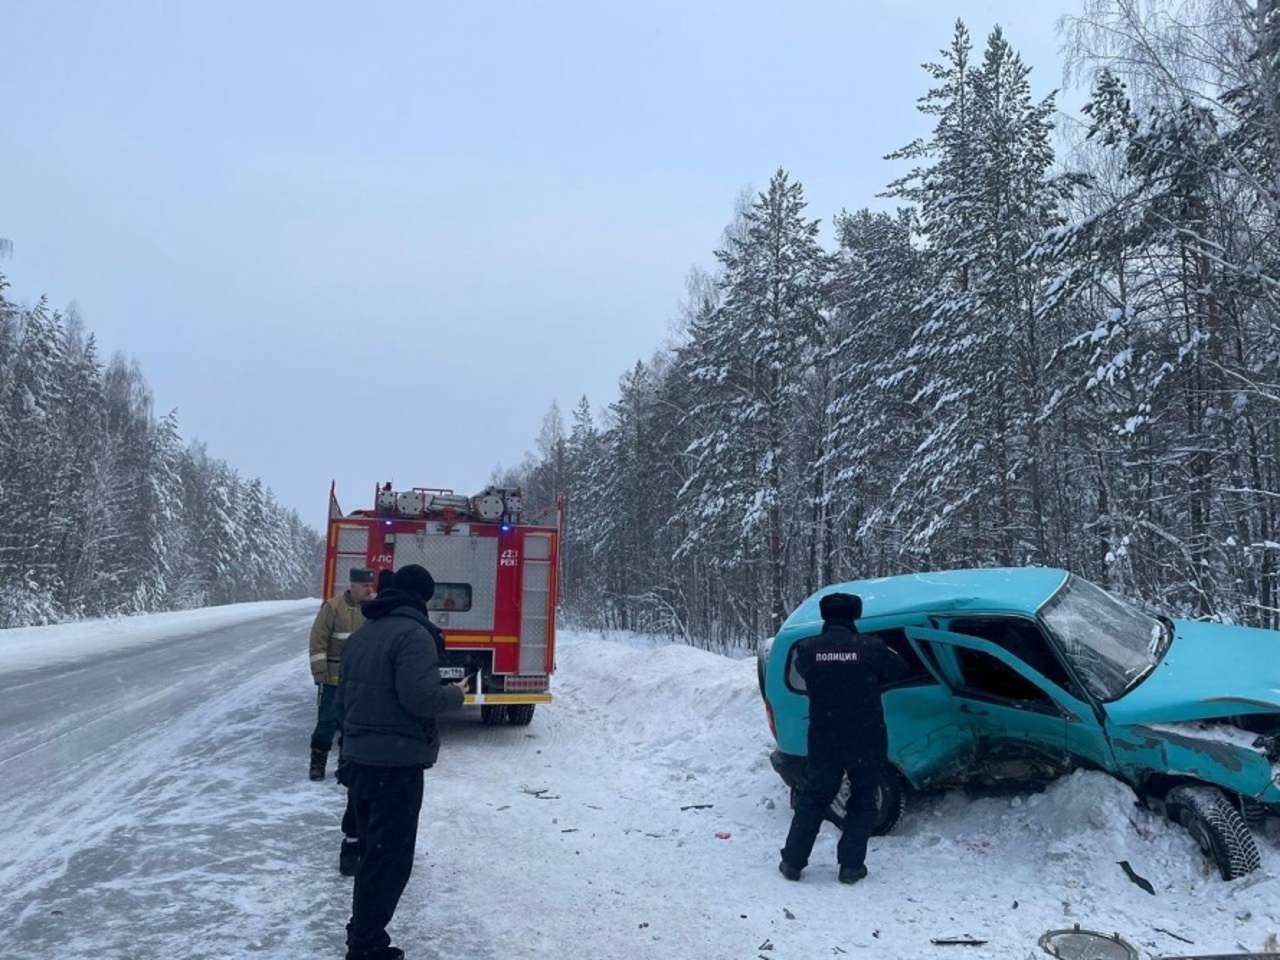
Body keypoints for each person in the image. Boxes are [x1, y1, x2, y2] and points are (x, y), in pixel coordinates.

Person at [336, 563, 468, 960]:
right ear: (424, 598)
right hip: (394, 766)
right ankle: (365, 945)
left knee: (370, 853)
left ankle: (361, 930)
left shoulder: (364, 633)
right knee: (389, 860)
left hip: (360, 760)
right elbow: (420, 699)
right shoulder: (414, 636)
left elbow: (341, 702)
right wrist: (454, 694)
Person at [779, 591, 909, 885]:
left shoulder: (808, 649)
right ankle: (850, 867)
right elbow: (900, 668)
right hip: (865, 737)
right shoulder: (872, 648)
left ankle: (792, 861)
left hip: (825, 736)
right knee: (863, 800)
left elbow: (804, 671)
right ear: (855, 616)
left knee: (813, 798)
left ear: (825, 616)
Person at [336, 569, 397, 876]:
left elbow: (344, 691)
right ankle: (366, 852)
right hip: (379, 737)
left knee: (358, 795)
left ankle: (352, 848)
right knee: (378, 800)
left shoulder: (365, 628)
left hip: (358, 730)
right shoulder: (392, 629)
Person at [309, 567, 376, 781]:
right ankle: (317, 763)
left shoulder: (373, 610)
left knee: (352, 724)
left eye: (370, 585)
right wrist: (320, 672)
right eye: (365, 586)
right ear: (353, 585)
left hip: (362, 680)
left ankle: (345, 766)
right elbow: (318, 640)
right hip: (333, 679)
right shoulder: (332, 608)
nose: (369, 589)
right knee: (327, 721)